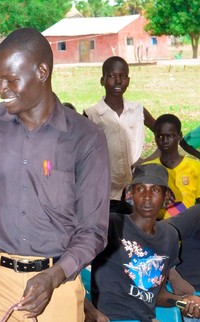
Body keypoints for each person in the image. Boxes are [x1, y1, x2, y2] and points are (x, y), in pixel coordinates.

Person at [0, 28, 110, 322]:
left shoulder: (85, 138)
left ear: (42, 72)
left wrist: (54, 276)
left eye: (11, 80)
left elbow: (93, 231)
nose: (0, 89)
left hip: (56, 285)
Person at [86, 164, 200, 322]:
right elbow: (70, 267)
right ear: (131, 194)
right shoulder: (110, 225)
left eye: (155, 190)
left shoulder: (169, 236)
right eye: (140, 189)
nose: (147, 197)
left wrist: (183, 303)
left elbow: (157, 296)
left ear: (166, 196)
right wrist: (89, 310)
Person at [83, 56, 156, 211]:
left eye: (123, 77)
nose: (118, 81)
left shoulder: (138, 110)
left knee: (134, 230)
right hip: (105, 191)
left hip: (136, 187)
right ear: (102, 80)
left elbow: (163, 131)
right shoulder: (92, 115)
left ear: (128, 80)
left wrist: (150, 159)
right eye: (112, 76)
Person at [144, 114, 200, 218]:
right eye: (160, 136)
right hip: (156, 226)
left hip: (188, 226)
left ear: (180, 136)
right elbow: (135, 205)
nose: (165, 141)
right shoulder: (147, 169)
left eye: (170, 136)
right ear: (155, 137)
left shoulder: (195, 167)